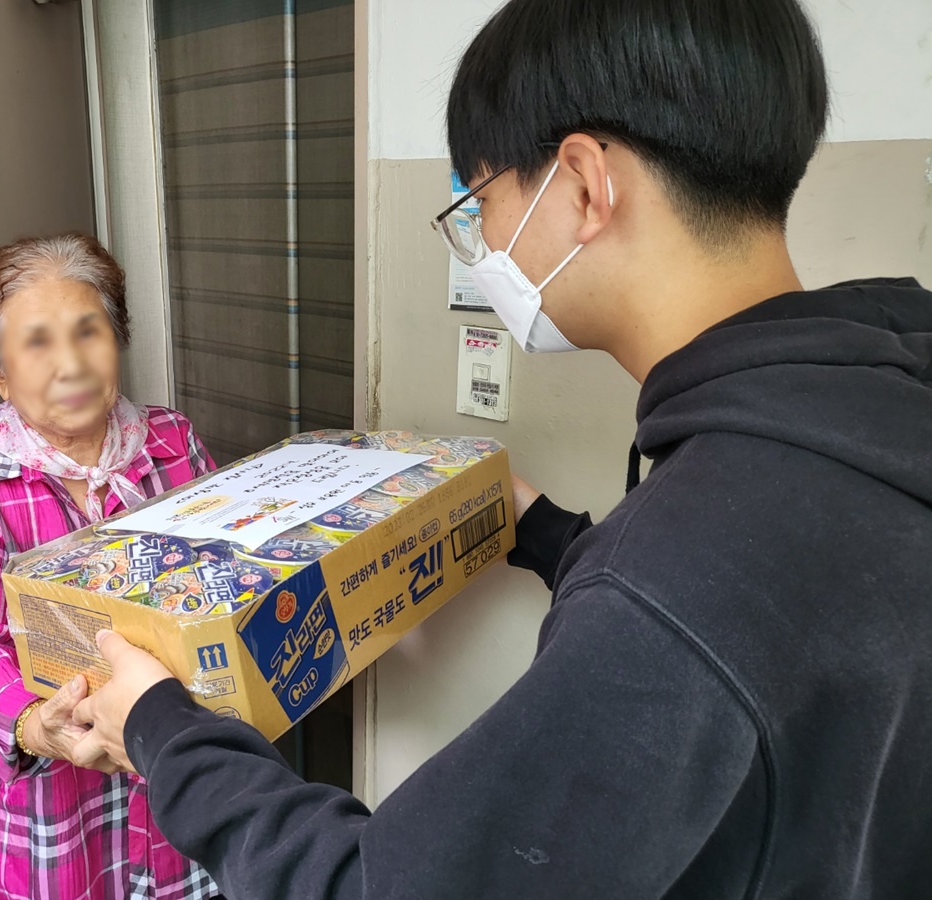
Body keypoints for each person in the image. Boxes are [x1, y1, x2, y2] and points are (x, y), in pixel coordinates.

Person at [64, 0, 932, 897]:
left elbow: (368, 887)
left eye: (481, 203)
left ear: (584, 185)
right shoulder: (872, 403)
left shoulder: (669, 585)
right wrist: (548, 531)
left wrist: (160, 726)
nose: (482, 241)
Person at [0, 234, 224, 900]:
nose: (71, 365)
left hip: (177, 781)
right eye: (37, 343)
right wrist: (36, 724)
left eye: (89, 332)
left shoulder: (172, 441)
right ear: (0, 373)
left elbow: (224, 582)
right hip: (58, 822)